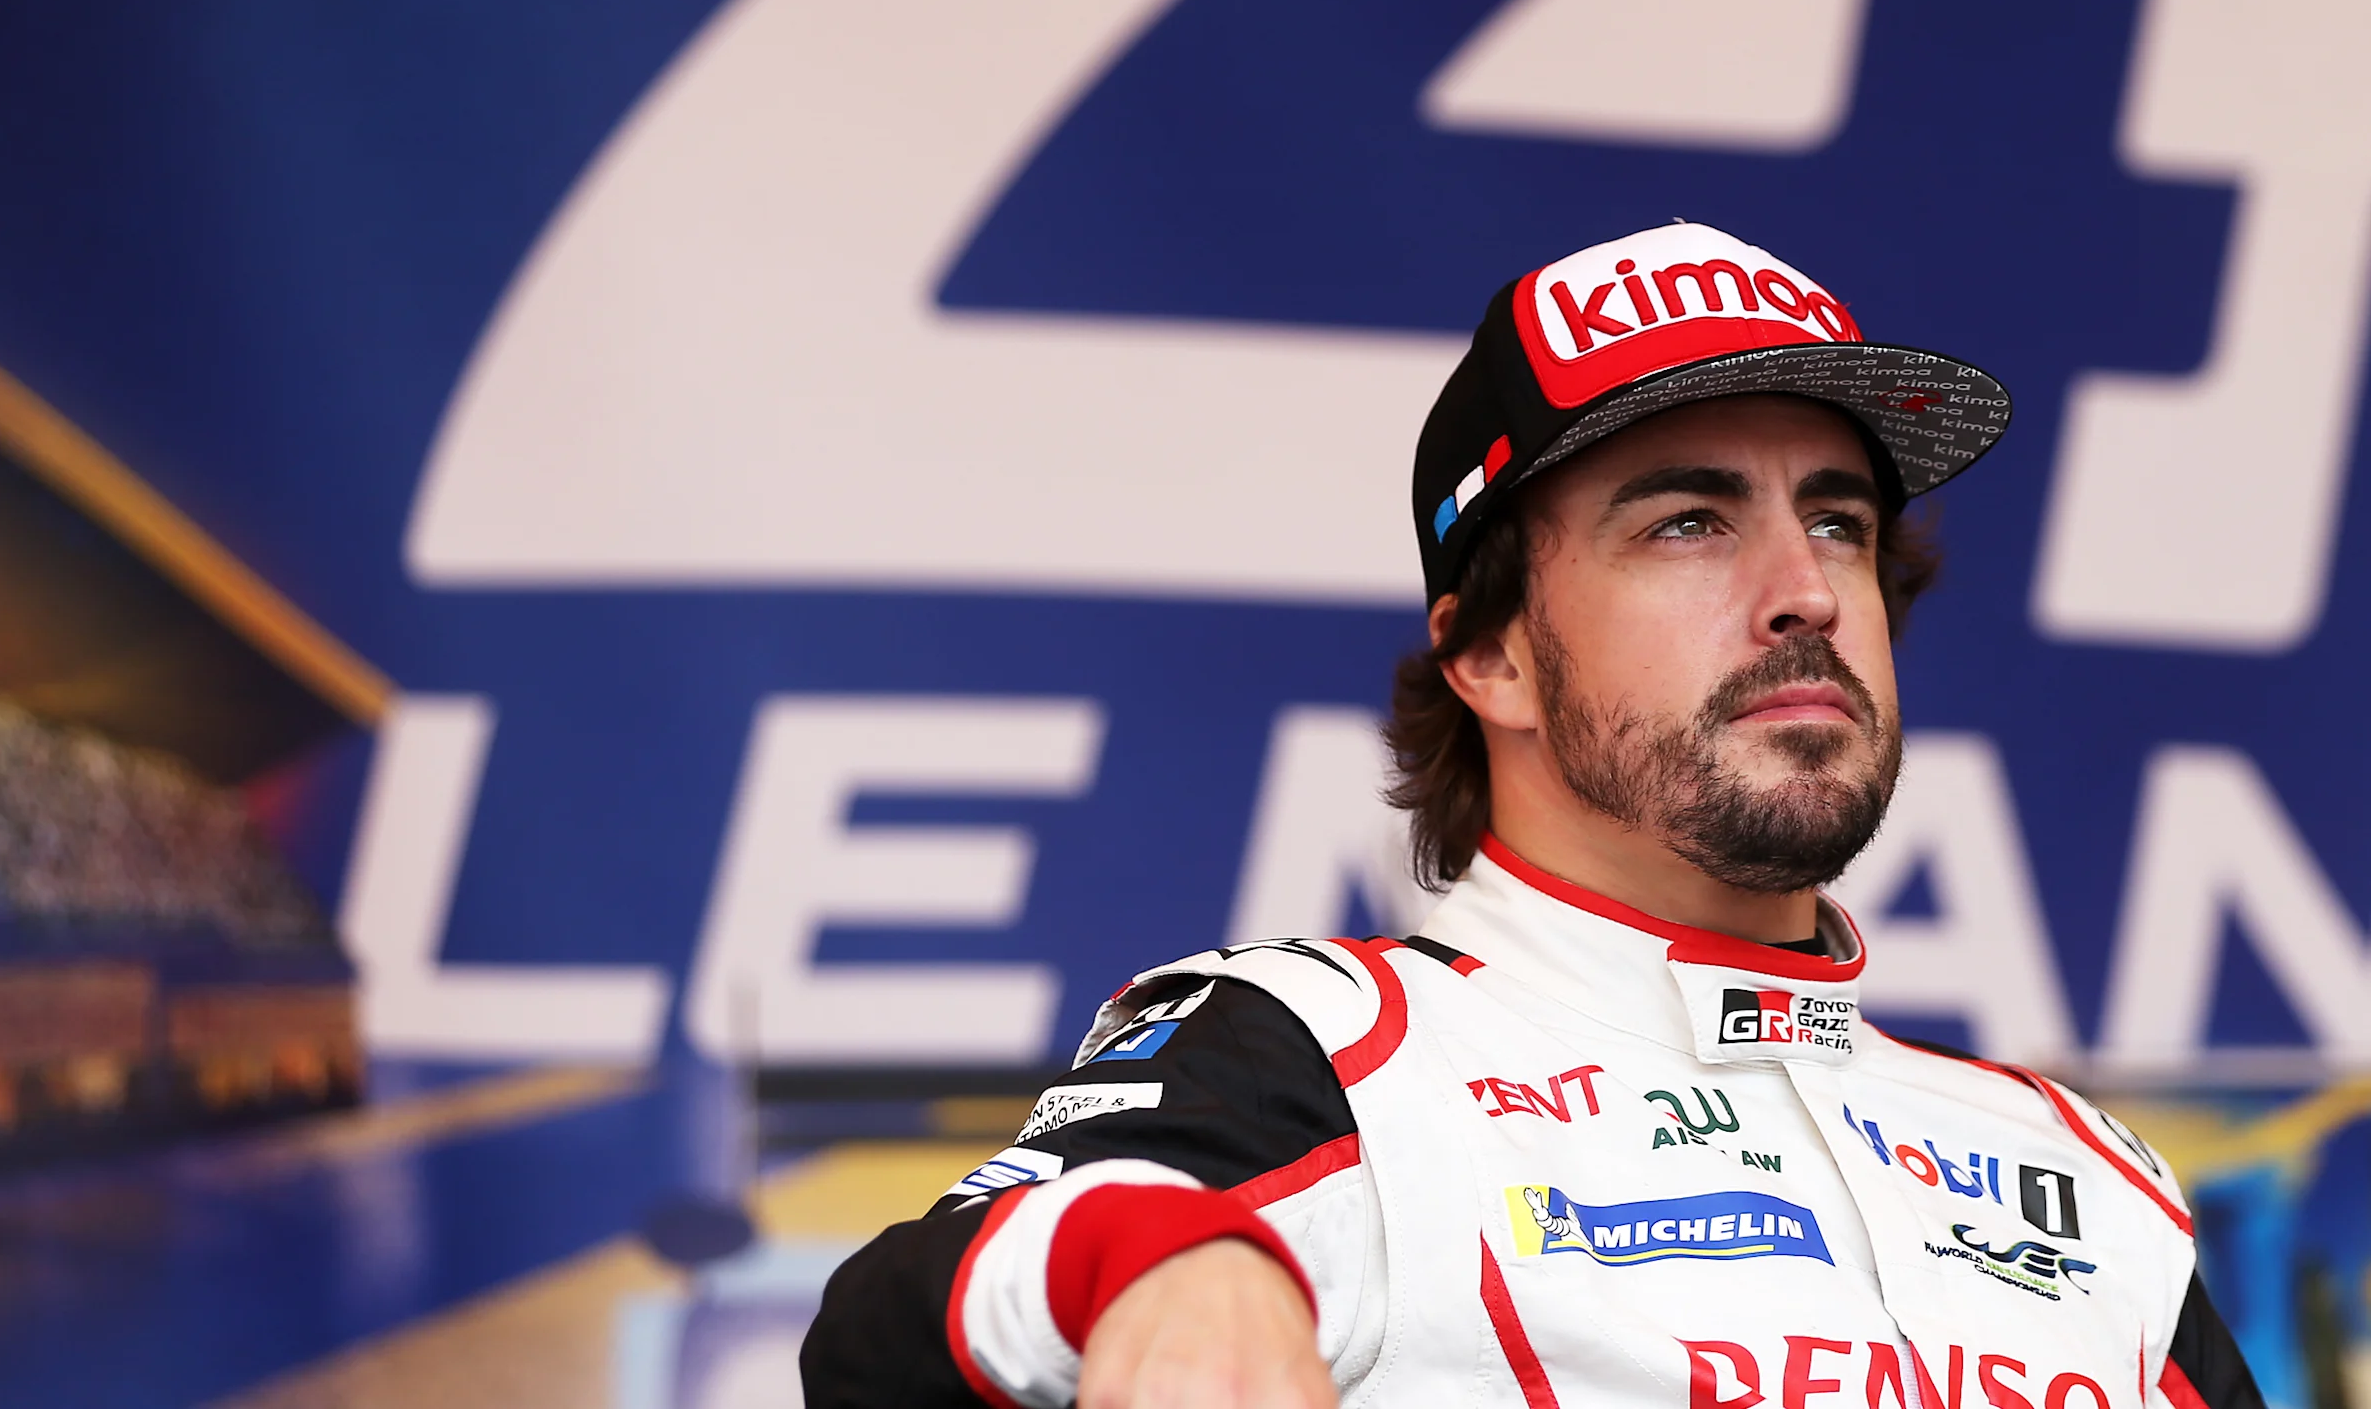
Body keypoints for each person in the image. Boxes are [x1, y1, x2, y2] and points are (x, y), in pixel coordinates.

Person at [802, 221, 2263, 1409]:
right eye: (1687, 522)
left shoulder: (2089, 1175)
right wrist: (1171, 1264)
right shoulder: (1331, 1056)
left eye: (1839, 521)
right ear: (1491, 652)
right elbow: (880, 1333)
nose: (1807, 590)